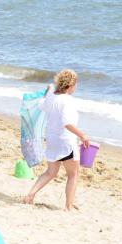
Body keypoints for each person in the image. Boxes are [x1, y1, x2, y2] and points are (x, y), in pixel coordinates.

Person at [25, 69, 91, 211]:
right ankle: (68, 206)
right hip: (66, 142)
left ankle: (30, 194)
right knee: (73, 174)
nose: (76, 87)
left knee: (50, 172)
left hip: (51, 140)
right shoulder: (68, 101)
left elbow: (42, 105)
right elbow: (67, 123)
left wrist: (48, 91)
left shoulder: (52, 97)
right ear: (70, 85)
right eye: (76, 84)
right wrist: (82, 135)